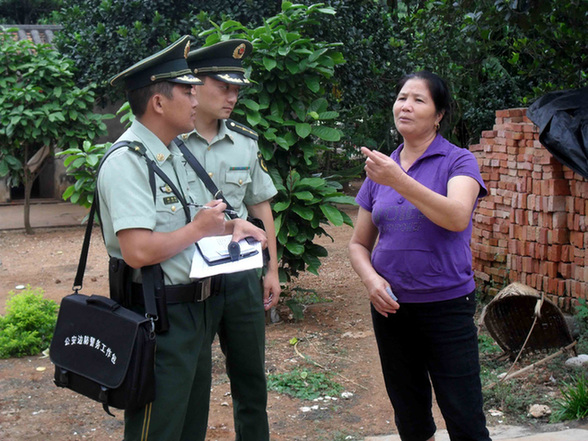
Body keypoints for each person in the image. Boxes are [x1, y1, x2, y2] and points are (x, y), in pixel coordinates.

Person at [100, 35, 267, 441]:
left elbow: (195, 218)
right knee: (158, 429)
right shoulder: (128, 162)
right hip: (159, 316)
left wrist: (232, 226)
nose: (196, 99)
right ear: (159, 102)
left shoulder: (170, 155)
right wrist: (198, 229)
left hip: (193, 311)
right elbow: (138, 251)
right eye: (187, 90)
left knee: (189, 426)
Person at [348, 71, 492, 441]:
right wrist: (371, 279)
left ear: (439, 114)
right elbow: (358, 243)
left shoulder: (458, 161)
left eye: (418, 99)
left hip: (446, 305)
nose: (406, 106)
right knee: (410, 418)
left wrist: (398, 180)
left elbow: (456, 216)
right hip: (392, 308)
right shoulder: (381, 168)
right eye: (401, 98)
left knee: (465, 419)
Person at [177, 39, 281, 441]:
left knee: (251, 378)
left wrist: (271, 268)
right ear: (194, 85)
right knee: (190, 382)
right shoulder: (168, 143)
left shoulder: (244, 140)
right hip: (187, 277)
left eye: (237, 89)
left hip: (240, 276)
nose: (233, 97)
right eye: (224, 86)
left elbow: (261, 207)